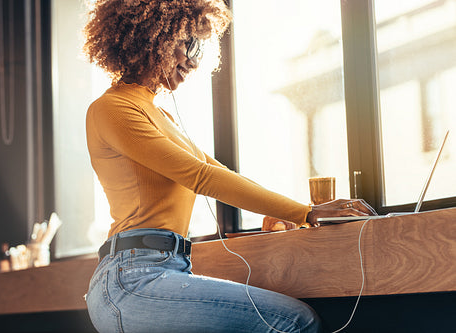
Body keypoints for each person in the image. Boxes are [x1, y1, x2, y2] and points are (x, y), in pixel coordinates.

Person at [83, 1, 376, 332]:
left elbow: (219, 171)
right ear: (156, 38)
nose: (194, 61)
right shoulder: (112, 109)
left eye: (200, 48)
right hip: (131, 279)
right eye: (189, 43)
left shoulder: (161, 116)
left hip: (168, 268)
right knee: (294, 321)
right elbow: (202, 177)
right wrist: (306, 212)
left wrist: (282, 211)